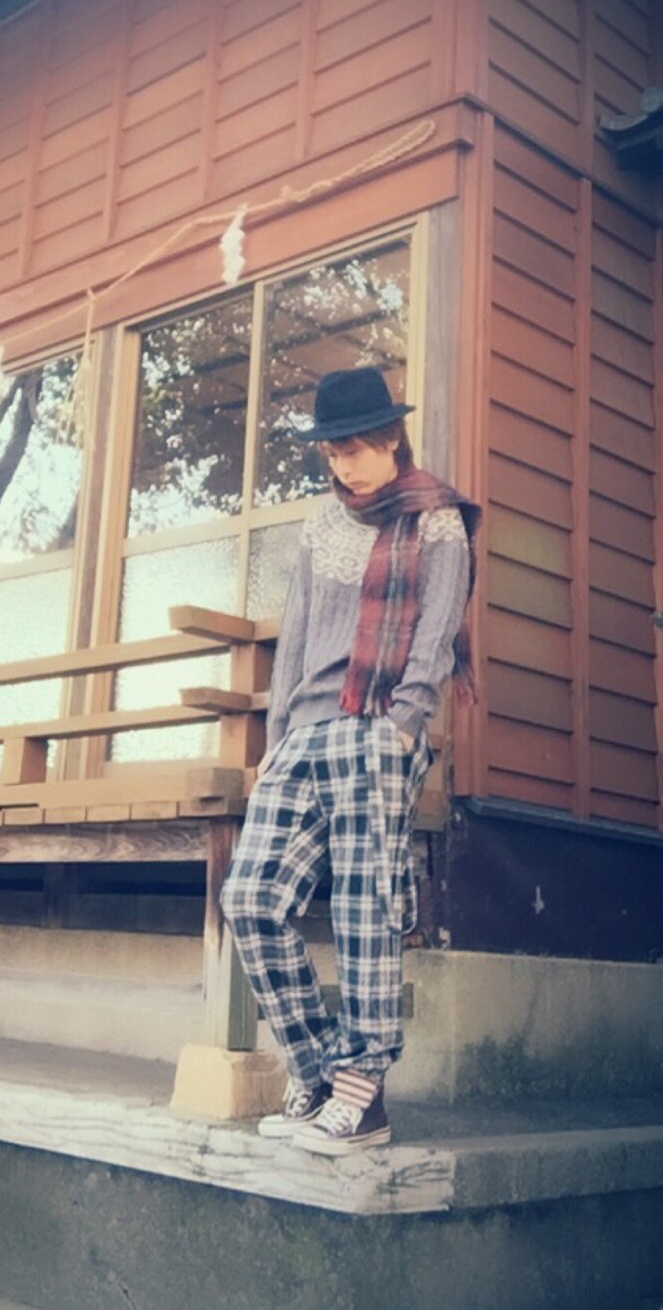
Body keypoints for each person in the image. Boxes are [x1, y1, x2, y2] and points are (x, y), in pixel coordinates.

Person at [220, 365, 479, 1156]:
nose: (345, 466)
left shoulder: (436, 519)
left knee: (364, 907)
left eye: (356, 449)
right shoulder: (320, 524)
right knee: (250, 897)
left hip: (376, 726)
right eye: (333, 453)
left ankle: (364, 1094)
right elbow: (296, 634)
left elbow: (437, 629)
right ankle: (318, 1068)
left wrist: (404, 723)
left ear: (392, 438)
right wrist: (275, 738)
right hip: (305, 733)